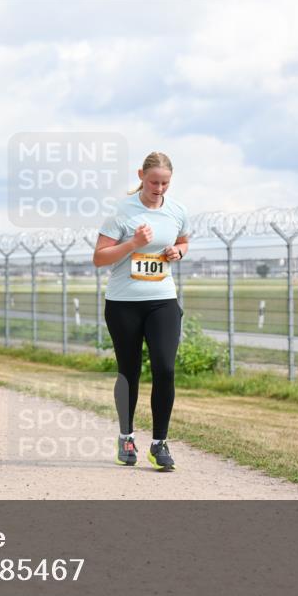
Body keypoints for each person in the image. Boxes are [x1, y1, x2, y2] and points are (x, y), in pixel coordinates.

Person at [92, 152, 189, 472]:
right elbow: (100, 258)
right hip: (123, 304)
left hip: (163, 300)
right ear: (140, 177)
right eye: (153, 182)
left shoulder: (177, 211)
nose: (159, 188)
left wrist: (178, 251)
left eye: (165, 183)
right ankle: (126, 437)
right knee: (129, 371)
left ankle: (160, 443)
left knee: (165, 367)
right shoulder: (122, 212)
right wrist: (133, 242)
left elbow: (184, 240)